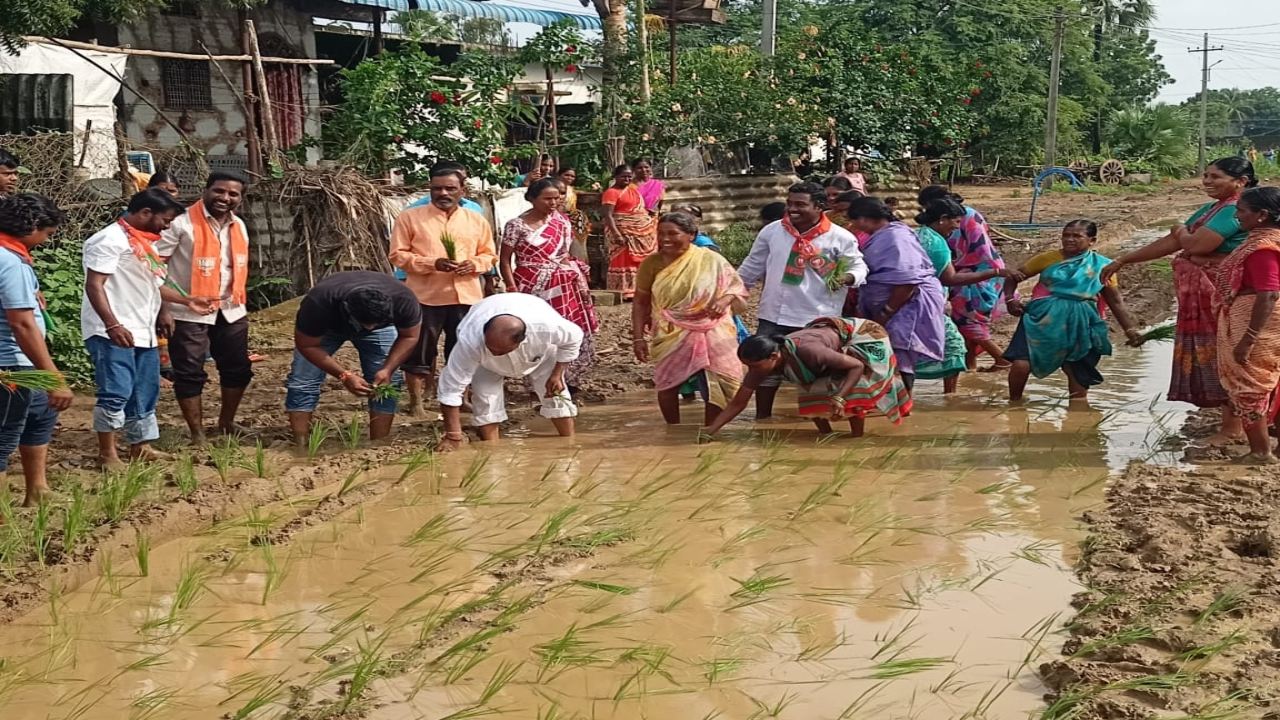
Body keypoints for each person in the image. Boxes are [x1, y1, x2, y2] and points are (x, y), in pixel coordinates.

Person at [1101, 157, 1256, 445]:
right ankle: (1236, 423)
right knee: (1218, 355)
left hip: (1225, 296)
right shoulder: (1212, 209)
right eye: (1205, 176)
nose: (1207, 181)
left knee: (1229, 357)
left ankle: (1233, 428)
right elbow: (1173, 243)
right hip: (1207, 297)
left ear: (1241, 182)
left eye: (1215, 176)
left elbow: (1195, 244)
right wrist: (1124, 259)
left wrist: (1181, 232)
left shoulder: (1236, 209)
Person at [82, 189, 216, 469]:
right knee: (116, 390)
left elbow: (154, 285)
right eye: (165, 220)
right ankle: (108, 453)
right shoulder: (109, 240)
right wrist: (112, 324)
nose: (167, 226)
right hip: (113, 331)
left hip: (141, 328)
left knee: (145, 389)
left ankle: (140, 446)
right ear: (145, 213)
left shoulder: (145, 243)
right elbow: (95, 285)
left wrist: (188, 300)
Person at [739, 182, 867, 418]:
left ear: (819, 206)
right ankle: (762, 420)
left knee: (819, 374)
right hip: (773, 313)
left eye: (800, 204)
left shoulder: (840, 237)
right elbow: (750, 268)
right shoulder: (772, 231)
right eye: (790, 204)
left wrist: (848, 277)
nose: (792, 209)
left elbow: (859, 267)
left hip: (816, 319)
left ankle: (819, 424)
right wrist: (733, 296)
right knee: (763, 371)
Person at [390, 164, 497, 416]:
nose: (443, 193)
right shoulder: (410, 217)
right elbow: (397, 255)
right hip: (425, 296)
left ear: (462, 190)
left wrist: (475, 264)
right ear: (430, 189)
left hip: (466, 296)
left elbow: (489, 254)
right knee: (419, 351)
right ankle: (416, 402)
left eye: (450, 188)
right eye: (437, 188)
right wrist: (431, 263)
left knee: (464, 350)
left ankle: (461, 399)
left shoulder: (476, 219)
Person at [155, 171, 253, 444]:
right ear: (206, 190)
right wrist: (163, 308)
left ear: (240, 198)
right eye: (219, 191)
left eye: (233, 194)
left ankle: (226, 423)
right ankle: (197, 433)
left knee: (238, 368)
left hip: (231, 309)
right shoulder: (180, 223)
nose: (225, 198)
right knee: (189, 372)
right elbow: (155, 267)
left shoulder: (239, 226)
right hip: (186, 311)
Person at [1004, 220, 1143, 402]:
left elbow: (1115, 300)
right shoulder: (1047, 259)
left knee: (1078, 373)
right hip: (1041, 321)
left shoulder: (1102, 266)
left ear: (1091, 241)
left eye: (1077, 236)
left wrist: (1129, 329)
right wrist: (1010, 299)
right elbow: (1014, 277)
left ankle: (1078, 416)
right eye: (1066, 235)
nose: (1069, 240)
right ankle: (1014, 404)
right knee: (1021, 365)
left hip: (1082, 324)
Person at [704, 318, 911, 439]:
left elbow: (856, 367)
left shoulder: (810, 352)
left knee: (853, 386)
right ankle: (826, 435)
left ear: (774, 356)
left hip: (864, 335)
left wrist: (839, 398)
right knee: (810, 387)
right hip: (828, 344)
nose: (752, 370)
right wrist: (711, 431)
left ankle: (856, 437)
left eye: (755, 366)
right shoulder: (761, 366)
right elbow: (739, 402)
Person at [632, 212, 748, 425]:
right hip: (670, 330)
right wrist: (638, 338)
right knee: (667, 383)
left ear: (691, 235)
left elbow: (735, 287)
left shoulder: (711, 259)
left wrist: (723, 301)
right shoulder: (652, 264)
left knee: (717, 379)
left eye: (673, 234)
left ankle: (709, 431)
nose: (665, 239)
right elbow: (640, 301)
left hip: (713, 327)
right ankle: (672, 430)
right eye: (661, 234)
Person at [286, 271, 421, 444]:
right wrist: (344, 375)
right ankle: (300, 442)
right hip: (327, 329)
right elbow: (307, 345)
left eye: (374, 324)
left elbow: (410, 336)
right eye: (365, 324)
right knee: (303, 379)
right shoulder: (319, 302)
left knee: (387, 383)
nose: (370, 328)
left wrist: (387, 369)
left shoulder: (403, 299)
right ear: (347, 308)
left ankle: (379, 444)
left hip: (384, 327)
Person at [435, 293, 583, 451]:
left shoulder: (547, 328)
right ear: (484, 334)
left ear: (521, 339)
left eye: (501, 351)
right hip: (485, 363)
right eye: (491, 348)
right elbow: (451, 388)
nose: (495, 353)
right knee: (486, 399)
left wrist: (557, 374)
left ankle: (569, 443)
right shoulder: (470, 341)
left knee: (555, 395)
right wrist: (453, 435)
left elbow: (575, 338)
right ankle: (492, 451)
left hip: (540, 354)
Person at [0, 194, 73, 506]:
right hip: (11, 365)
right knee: (4, 437)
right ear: (31, 227)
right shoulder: (9, 262)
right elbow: (22, 325)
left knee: (41, 413)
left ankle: (37, 490)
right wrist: (54, 377)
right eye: (47, 234)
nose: (45, 241)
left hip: (24, 362)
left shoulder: (13, 257)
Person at [500, 178, 599, 391]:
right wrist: (511, 288)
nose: (553, 203)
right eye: (547, 199)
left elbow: (564, 254)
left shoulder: (562, 221)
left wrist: (572, 272)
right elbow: (505, 260)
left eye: (557, 198)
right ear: (531, 199)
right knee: (535, 330)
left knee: (565, 328)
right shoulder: (516, 226)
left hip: (562, 285)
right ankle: (536, 377)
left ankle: (567, 376)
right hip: (529, 284)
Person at [846, 196, 947, 392]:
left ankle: (904, 403)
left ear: (865, 218)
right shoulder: (883, 235)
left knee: (900, 353)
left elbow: (907, 279)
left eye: (855, 220)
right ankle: (891, 402)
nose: (854, 225)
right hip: (890, 304)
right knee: (886, 353)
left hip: (905, 304)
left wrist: (887, 311)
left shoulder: (896, 237)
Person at [913, 199, 1010, 393]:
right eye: (955, 222)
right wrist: (995, 273)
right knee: (954, 347)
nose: (957, 227)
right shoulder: (938, 244)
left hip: (912, 300)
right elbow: (951, 278)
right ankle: (950, 396)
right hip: (927, 303)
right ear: (942, 219)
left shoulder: (917, 235)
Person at [1213, 187, 1280, 463]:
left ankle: (1260, 452)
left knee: (1249, 385)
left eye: (1241, 210)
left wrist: (1248, 339)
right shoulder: (1269, 241)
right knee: (1271, 383)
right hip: (1265, 321)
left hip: (1258, 323)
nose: (1237, 216)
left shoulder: (1262, 248)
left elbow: (1269, 293)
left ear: (1262, 215)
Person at [602, 164, 657, 299]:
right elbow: (608, 215)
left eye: (629, 176)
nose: (626, 179)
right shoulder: (611, 192)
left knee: (642, 262)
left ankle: (640, 289)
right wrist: (616, 234)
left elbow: (638, 208)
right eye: (623, 176)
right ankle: (624, 291)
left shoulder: (633, 190)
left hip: (640, 231)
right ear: (616, 177)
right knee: (623, 259)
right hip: (622, 231)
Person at [556, 166, 590, 261]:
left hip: (575, 222)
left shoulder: (571, 190)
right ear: (559, 175)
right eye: (566, 175)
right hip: (559, 220)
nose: (569, 178)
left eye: (572, 176)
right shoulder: (552, 188)